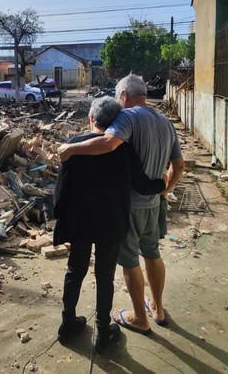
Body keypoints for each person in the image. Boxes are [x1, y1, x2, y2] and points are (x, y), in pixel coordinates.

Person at [59, 73, 185, 336]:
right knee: (151, 254)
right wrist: (165, 189)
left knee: (126, 262)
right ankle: (157, 310)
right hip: (150, 206)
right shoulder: (165, 121)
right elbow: (178, 165)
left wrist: (70, 150)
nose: (118, 105)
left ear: (125, 96)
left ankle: (139, 317)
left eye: (119, 97)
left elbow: (107, 143)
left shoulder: (126, 118)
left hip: (125, 209)